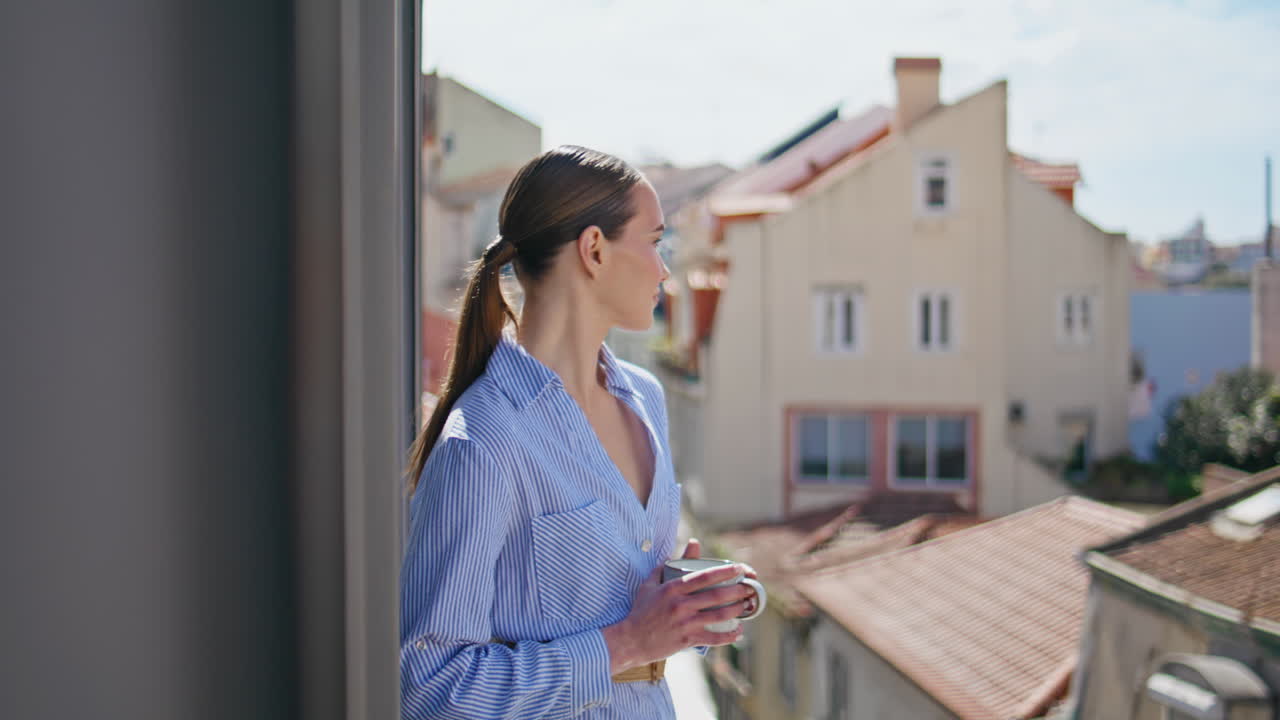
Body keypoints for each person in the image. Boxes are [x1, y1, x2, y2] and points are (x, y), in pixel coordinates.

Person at [400, 146, 758, 719]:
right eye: (655, 242)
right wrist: (630, 641)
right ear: (594, 250)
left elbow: (600, 606)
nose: (665, 269)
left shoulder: (647, 398)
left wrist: (678, 603)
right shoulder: (483, 443)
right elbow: (428, 689)